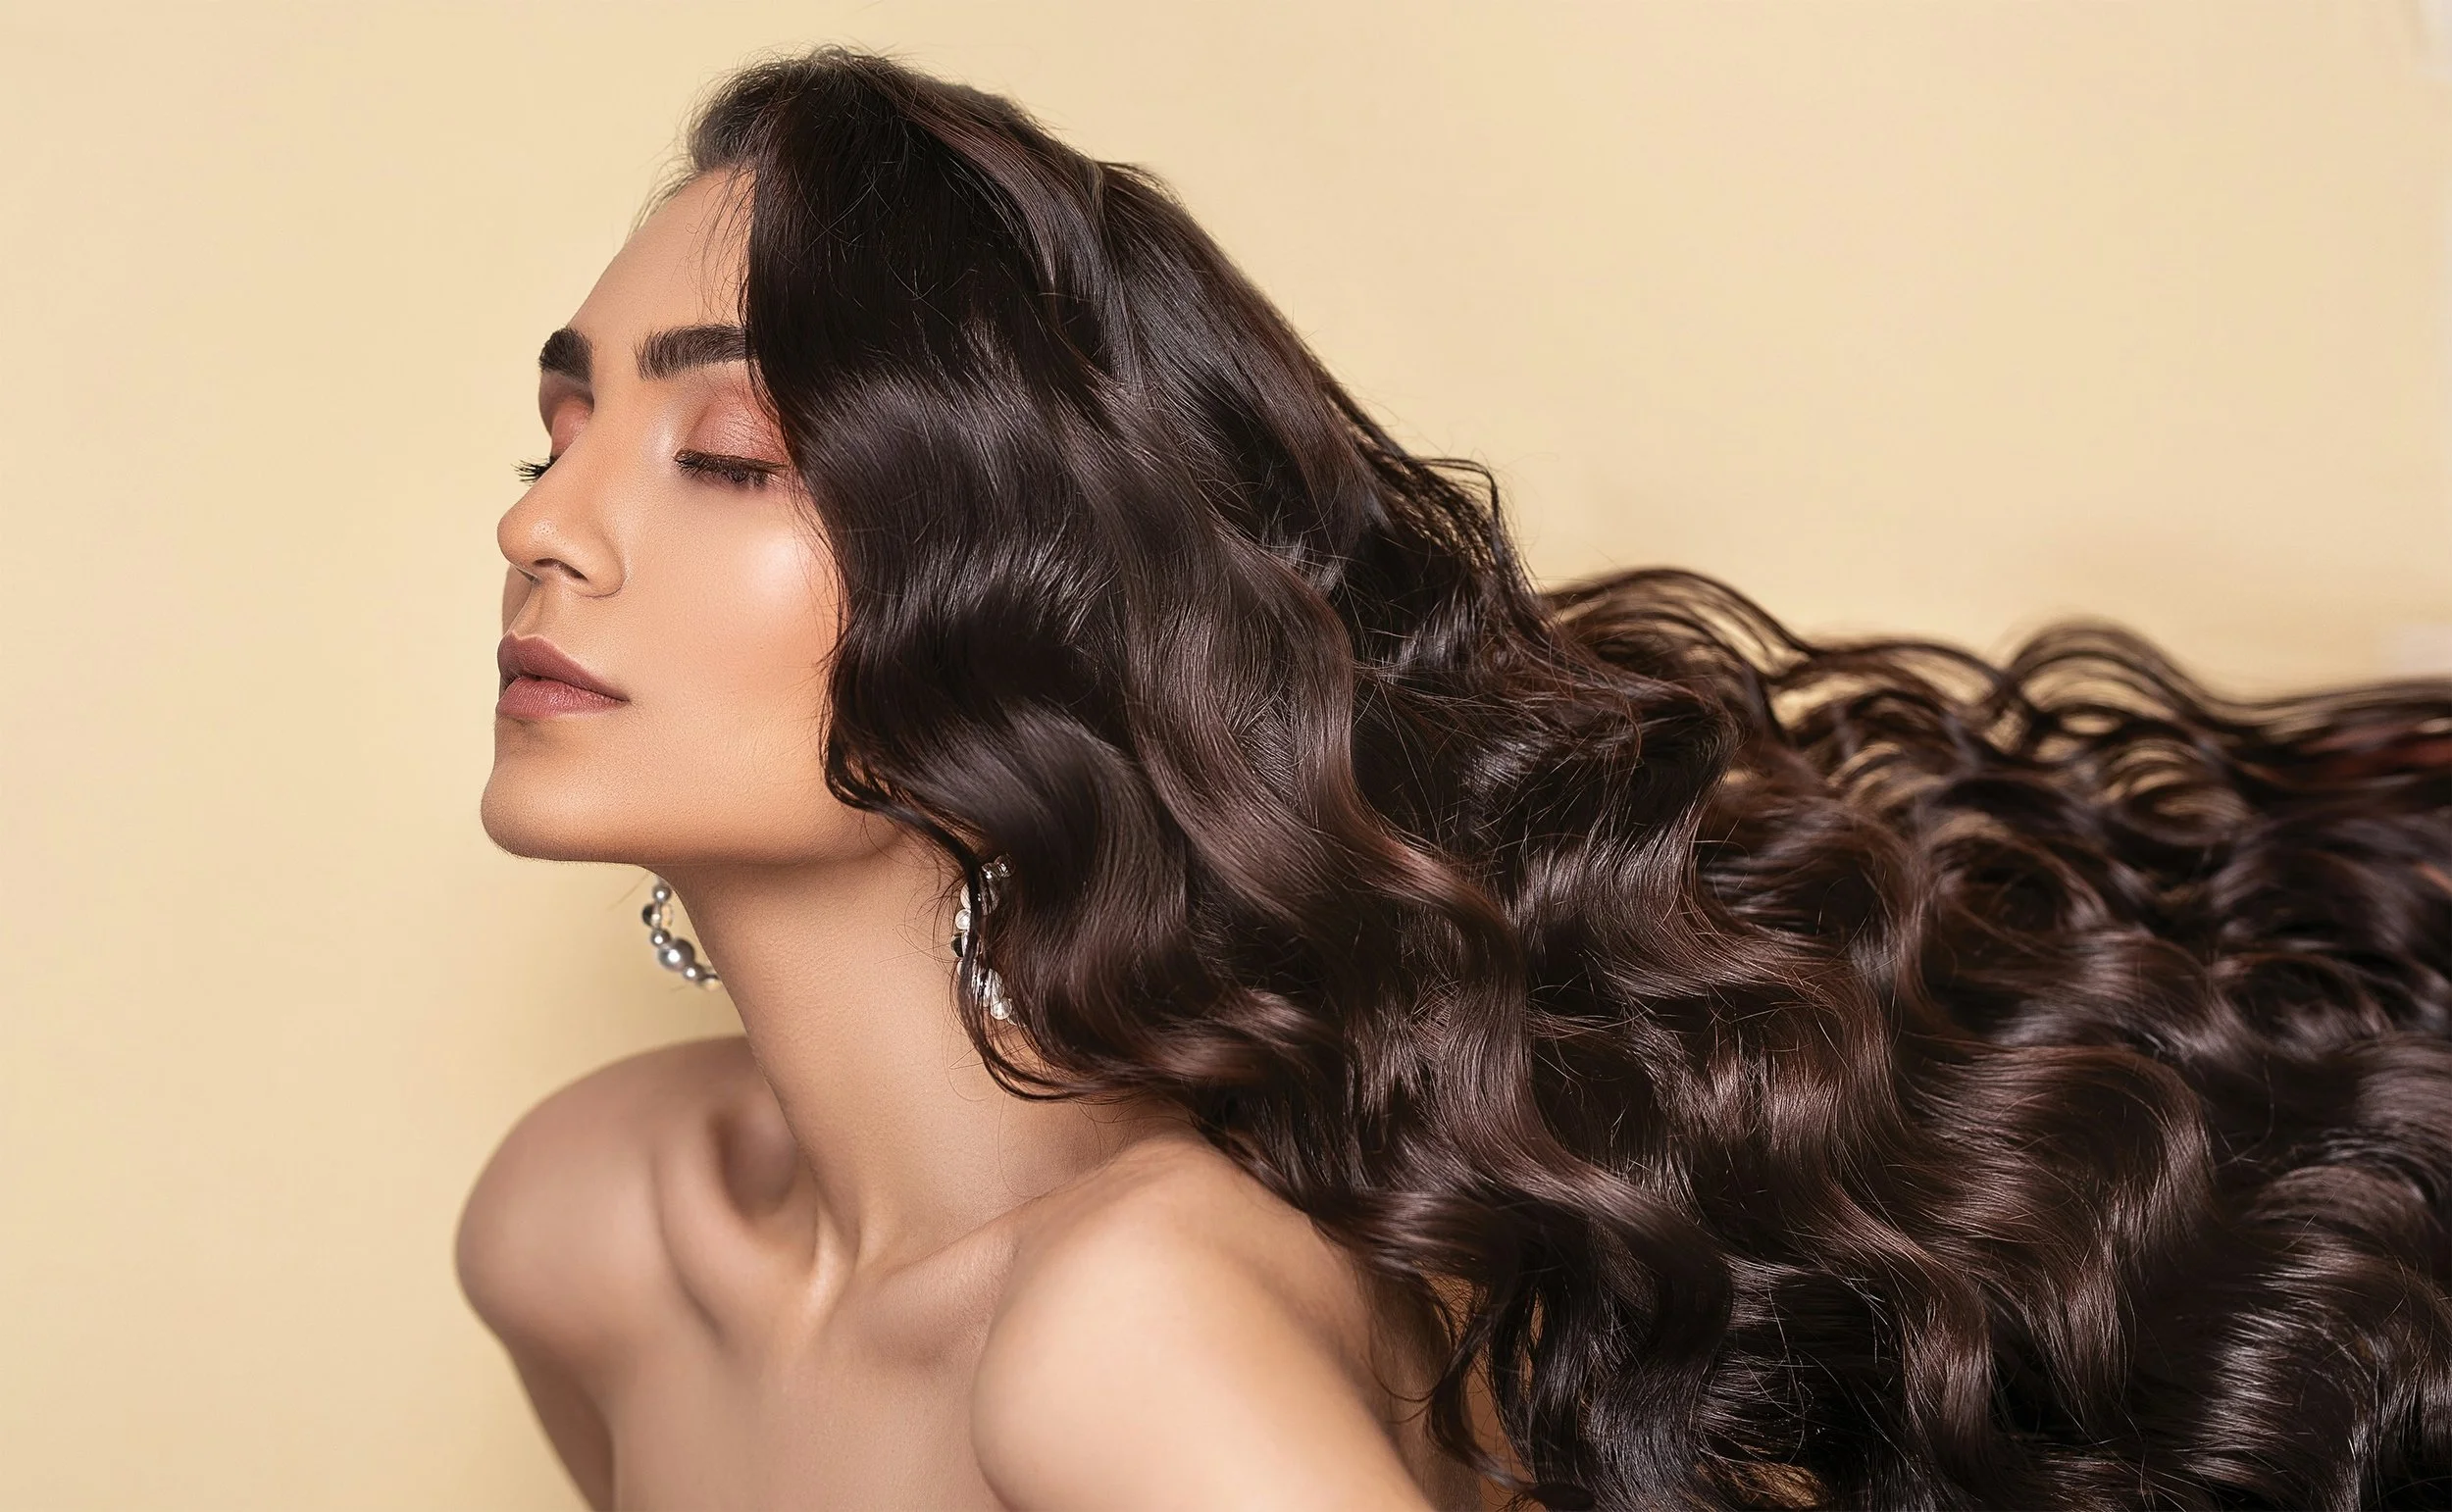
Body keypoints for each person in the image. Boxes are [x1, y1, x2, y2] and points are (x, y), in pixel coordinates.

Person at [455, 46, 2452, 1511]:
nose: (543, 523)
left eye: (728, 456)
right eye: (558, 430)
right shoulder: (585, 1229)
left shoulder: (1120, 1337)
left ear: (1030, 600)